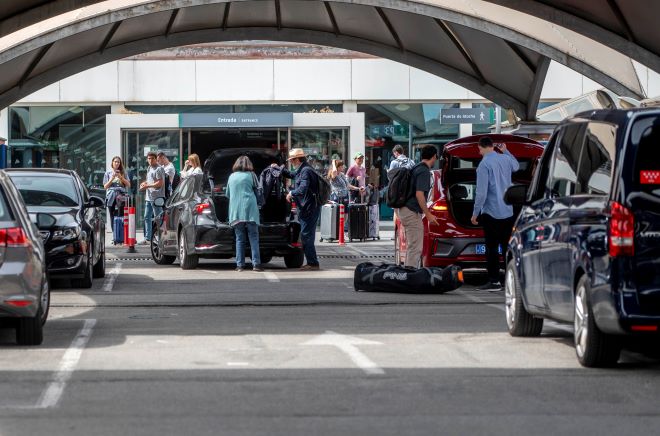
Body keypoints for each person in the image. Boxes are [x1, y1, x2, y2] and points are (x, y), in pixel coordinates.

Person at [471, 136, 520, 291]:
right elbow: (517, 166)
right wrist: (506, 151)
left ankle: (493, 281)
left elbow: (481, 193)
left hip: (491, 212)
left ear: (483, 147)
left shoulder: (484, 165)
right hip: (508, 210)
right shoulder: (506, 159)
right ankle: (509, 280)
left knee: (491, 247)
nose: (479, 153)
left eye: (479, 149)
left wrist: (475, 213)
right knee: (507, 247)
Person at [278, 148, 321, 270]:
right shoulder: (303, 169)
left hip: (309, 208)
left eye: (292, 160)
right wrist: (279, 169)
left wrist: (291, 193)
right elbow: (292, 175)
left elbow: (303, 188)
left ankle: (312, 263)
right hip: (307, 208)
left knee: (306, 235)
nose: (291, 162)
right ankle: (312, 262)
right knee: (307, 235)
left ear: (297, 159)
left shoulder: (306, 170)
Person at [397, 145, 439, 268]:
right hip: (411, 211)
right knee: (415, 247)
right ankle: (410, 276)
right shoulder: (424, 171)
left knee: (413, 245)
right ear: (434, 156)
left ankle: (409, 273)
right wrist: (428, 214)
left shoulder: (416, 167)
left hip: (405, 209)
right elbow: (419, 194)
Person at [227, 155, 263, 272]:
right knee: (253, 238)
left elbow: (227, 194)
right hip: (250, 210)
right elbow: (259, 190)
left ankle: (240, 265)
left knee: (239, 239)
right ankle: (256, 264)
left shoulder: (231, 176)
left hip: (236, 212)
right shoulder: (252, 175)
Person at [103, 156, 131, 243]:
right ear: (112, 163)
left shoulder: (123, 173)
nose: (117, 163)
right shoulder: (108, 173)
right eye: (115, 162)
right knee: (112, 216)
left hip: (121, 196)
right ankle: (115, 236)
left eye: (118, 162)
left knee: (121, 215)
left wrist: (120, 177)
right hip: (111, 195)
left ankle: (121, 235)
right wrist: (112, 178)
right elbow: (105, 186)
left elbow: (128, 185)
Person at [139, 151, 165, 244]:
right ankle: (148, 238)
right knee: (147, 217)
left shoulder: (159, 169)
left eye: (152, 158)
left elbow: (160, 183)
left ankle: (160, 237)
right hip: (148, 197)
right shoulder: (149, 167)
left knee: (158, 219)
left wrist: (148, 186)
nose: (150, 160)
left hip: (157, 198)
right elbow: (149, 180)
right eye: (148, 159)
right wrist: (144, 183)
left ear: (156, 159)